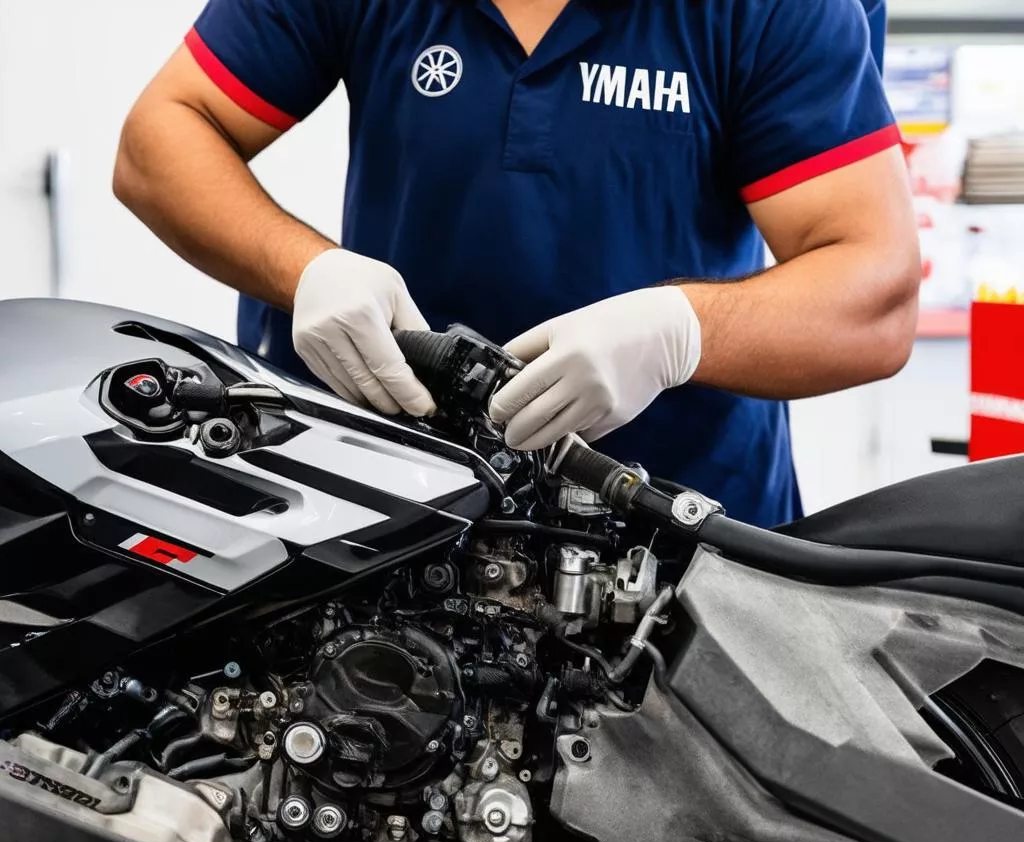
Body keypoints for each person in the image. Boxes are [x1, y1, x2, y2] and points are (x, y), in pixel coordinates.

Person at [114, 0, 918, 528]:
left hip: (666, 526)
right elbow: (162, 140)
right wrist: (307, 270)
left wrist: (680, 331)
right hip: (385, 499)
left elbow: (874, 289)